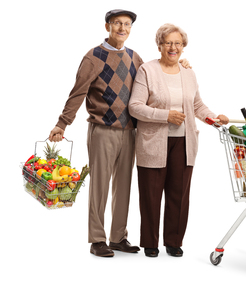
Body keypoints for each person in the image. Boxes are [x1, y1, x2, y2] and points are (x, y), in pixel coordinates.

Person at [48, 10, 191, 257]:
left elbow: (156, 76)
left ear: (131, 29)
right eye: (117, 24)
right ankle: (97, 239)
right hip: (102, 130)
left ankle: (118, 237)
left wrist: (183, 64)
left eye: (127, 24)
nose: (122, 28)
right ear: (108, 27)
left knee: (123, 187)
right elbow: (78, 93)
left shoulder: (135, 58)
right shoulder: (93, 57)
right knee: (100, 186)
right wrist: (62, 124)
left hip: (130, 132)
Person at [128, 23, 229, 257]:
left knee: (179, 194)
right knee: (151, 194)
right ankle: (150, 243)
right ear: (160, 45)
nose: (173, 47)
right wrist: (166, 116)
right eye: (168, 43)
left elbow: (196, 105)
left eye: (178, 43)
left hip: (184, 142)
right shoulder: (147, 70)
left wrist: (214, 118)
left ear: (183, 47)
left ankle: (173, 241)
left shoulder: (189, 73)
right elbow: (135, 107)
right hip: (153, 143)